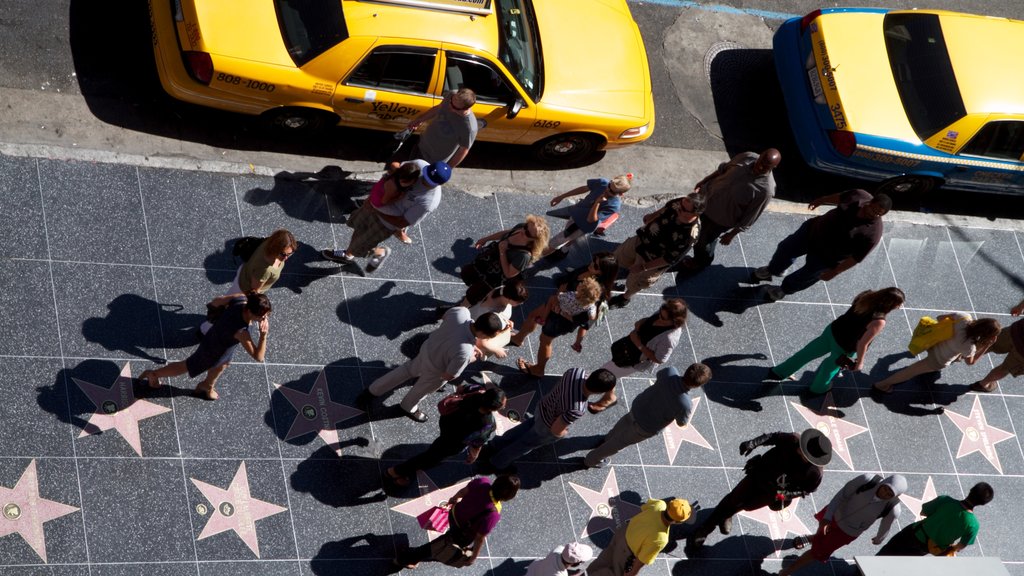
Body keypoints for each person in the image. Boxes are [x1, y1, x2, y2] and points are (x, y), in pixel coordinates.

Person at [686, 429, 832, 552]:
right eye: (802, 447)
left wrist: (784, 495)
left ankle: (729, 513)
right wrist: (753, 443)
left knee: (747, 506)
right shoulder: (793, 440)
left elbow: (805, 491)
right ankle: (706, 528)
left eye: (805, 454)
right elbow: (773, 437)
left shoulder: (815, 474)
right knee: (734, 498)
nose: (800, 450)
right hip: (759, 474)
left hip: (773, 493)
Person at [358, 309, 504, 422]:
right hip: (436, 371)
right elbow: (450, 374)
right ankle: (407, 407)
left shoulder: (462, 312)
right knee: (420, 391)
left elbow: (446, 319)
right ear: (485, 335)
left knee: (405, 371)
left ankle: (372, 391)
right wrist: (472, 357)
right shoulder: (466, 351)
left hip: (426, 350)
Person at [747, 189, 890, 302]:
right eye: (874, 209)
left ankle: (784, 289)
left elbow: (857, 258)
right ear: (870, 202)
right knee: (786, 248)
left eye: (879, 214)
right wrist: (822, 200)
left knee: (804, 277)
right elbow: (840, 197)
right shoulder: (858, 195)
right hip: (812, 232)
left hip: (828, 257)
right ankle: (773, 269)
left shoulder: (873, 233)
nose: (874, 214)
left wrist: (835, 272)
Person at [768, 287, 905, 395]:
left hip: (833, 331)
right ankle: (818, 388)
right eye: (898, 304)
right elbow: (862, 343)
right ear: (891, 304)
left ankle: (780, 371)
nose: (899, 307)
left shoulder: (866, 295)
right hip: (845, 346)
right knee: (830, 368)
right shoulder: (878, 321)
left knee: (806, 353)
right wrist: (860, 363)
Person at [321, 160, 450, 273]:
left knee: (361, 244)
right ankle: (351, 252)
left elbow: (401, 222)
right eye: (425, 174)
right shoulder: (419, 165)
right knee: (358, 229)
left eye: (428, 180)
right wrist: (373, 198)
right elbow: (395, 171)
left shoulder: (429, 201)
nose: (423, 179)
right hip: (375, 206)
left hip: (385, 223)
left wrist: (377, 209)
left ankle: (365, 254)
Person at [140, 292, 271, 401]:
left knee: (222, 365)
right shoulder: (242, 332)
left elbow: (216, 302)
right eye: (261, 316)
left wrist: (217, 317)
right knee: (186, 365)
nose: (264, 318)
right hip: (214, 350)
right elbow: (259, 357)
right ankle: (154, 374)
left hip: (217, 337)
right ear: (249, 311)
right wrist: (263, 335)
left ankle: (207, 385)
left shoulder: (240, 298)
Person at [481, 368, 617, 472]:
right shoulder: (577, 408)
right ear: (599, 392)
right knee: (524, 444)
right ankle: (498, 462)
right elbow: (556, 429)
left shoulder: (576, 372)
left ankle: (495, 444)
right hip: (546, 426)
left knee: (523, 428)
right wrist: (563, 434)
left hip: (543, 407)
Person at [584, 363, 711, 468]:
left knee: (622, 424)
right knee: (619, 443)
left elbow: (659, 374)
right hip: (645, 427)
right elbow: (681, 422)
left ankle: (607, 439)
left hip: (637, 408)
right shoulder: (686, 404)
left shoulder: (670, 372)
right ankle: (592, 460)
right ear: (697, 385)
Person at [676, 149, 779, 276]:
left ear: (774, 167)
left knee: (704, 241)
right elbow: (723, 169)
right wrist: (704, 181)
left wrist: (732, 234)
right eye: (760, 161)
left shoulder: (766, 190)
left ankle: (701, 261)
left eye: (765, 167)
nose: (760, 167)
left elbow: (751, 216)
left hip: (719, 219)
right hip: (705, 199)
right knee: (686, 223)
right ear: (760, 155)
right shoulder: (748, 156)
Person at [779, 474, 906, 576]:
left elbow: (886, 526)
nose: (885, 494)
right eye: (885, 488)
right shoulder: (867, 480)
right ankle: (813, 538)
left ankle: (787, 571)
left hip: (847, 532)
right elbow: (842, 495)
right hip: (834, 515)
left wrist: (879, 538)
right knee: (821, 535)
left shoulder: (893, 509)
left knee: (816, 552)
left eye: (890, 494)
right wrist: (827, 518)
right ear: (884, 482)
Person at [385, 385, 506, 486]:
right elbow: (477, 443)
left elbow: (461, 388)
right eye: (503, 404)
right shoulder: (486, 423)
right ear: (493, 408)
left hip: (447, 421)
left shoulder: (477, 390)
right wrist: (474, 454)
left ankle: (405, 470)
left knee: (436, 450)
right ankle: (396, 471)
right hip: (453, 441)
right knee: (432, 457)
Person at [394, 474, 520, 569]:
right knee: (440, 547)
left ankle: (415, 556)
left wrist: (453, 499)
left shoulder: (482, 482)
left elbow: (462, 492)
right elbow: (479, 538)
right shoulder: (493, 514)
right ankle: (405, 558)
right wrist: (474, 557)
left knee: (444, 541)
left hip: (454, 515)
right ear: (509, 496)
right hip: (463, 533)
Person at [588, 298, 689, 414]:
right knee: (610, 371)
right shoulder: (663, 312)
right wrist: (640, 324)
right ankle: (609, 396)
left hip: (634, 360)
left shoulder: (670, 338)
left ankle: (602, 395)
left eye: (663, 318)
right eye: (660, 313)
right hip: (627, 347)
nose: (659, 318)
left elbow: (660, 359)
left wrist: (639, 344)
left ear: (674, 321)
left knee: (606, 373)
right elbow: (649, 321)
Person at [608, 194, 703, 309]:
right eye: (681, 203)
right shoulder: (680, 203)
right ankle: (606, 276)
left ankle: (625, 298)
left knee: (636, 283)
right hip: (642, 239)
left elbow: (670, 259)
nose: (679, 207)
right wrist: (652, 216)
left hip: (652, 258)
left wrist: (644, 267)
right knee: (617, 257)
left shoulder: (690, 235)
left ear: (695, 214)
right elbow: (666, 208)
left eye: (683, 209)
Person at [873, 314, 1000, 393]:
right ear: (985, 335)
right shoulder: (970, 347)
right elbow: (970, 362)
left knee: (911, 369)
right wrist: (986, 345)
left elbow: (940, 318)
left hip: (933, 343)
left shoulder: (963, 317)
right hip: (938, 360)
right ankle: (882, 385)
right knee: (910, 372)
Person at [200, 229, 295, 334]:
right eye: (283, 254)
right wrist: (261, 309)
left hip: (244, 274)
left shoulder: (269, 242)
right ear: (275, 247)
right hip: (244, 290)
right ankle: (205, 330)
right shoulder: (266, 268)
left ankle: (208, 325)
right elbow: (254, 290)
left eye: (289, 254)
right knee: (225, 312)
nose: (286, 258)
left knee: (224, 308)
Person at [511, 277, 602, 378]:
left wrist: (560, 291)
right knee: (534, 316)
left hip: (557, 318)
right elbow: (592, 316)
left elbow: (559, 296)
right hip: (564, 322)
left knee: (545, 341)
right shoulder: (590, 305)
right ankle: (518, 339)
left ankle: (539, 369)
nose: (579, 284)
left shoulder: (571, 296)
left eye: (581, 284)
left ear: (580, 291)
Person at [877, 482, 994, 556]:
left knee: (885, 554)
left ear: (971, 490)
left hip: (912, 534)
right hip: (925, 548)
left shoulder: (945, 500)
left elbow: (923, 511)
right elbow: (960, 546)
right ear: (982, 504)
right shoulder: (973, 525)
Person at [459, 215, 550, 306]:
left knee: (473, 295)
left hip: (493, 277)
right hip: (485, 262)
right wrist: (486, 239)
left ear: (534, 240)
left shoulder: (524, 256)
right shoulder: (520, 227)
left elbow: (509, 274)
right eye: (526, 226)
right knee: (467, 273)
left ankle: (462, 308)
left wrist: (502, 251)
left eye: (528, 233)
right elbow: (505, 233)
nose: (523, 231)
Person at [588, 498, 692, 576]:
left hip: (622, 533)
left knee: (605, 558)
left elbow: (644, 507)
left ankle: (586, 573)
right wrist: (631, 574)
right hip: (626, 551)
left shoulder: (659, 504)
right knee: (613, 573)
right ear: (677, 522)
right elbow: (641, 560)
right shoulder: (661, 538)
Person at [545, 175, 632, 259]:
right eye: (609, 185)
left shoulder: (614, 206)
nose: (607, 189)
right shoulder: (602, 183)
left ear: (620, 194)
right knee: (570, 237)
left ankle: (537, 256)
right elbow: (584, 188)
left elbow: (590, 220)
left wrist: (597, 203)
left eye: (612, 191)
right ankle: (564, 251)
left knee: (555, 242)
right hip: (577, 213)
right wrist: (561, 197)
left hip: (582, 225)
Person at [405, 87, 479, 167]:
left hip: (434, 159)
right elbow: (439, 108)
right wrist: (420, 119)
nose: (450, 106)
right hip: (421, 144)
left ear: (465, 109)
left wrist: (448, 168)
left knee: (414, 178)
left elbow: (463, 150)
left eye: (454, 107)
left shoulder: (469, 127)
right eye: (451, 101)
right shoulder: (452, 95)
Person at [969, 299, 1024, 392]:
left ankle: (957, 356)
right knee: (1005, 368)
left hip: (1017, 330)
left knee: (989, 343)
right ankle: (983, 384)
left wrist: (1020, 306)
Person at [468, 278, 529, 359]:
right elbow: (481, 340)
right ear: (510, 299)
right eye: (519, 302)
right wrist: (496, 349)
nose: (521, 304)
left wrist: (505, 323)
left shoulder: (503, 290)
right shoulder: (490, 313)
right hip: (476, 333)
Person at [525, 542, 594, 576]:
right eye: (582, 562)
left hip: (534, 568)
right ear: (574, 563)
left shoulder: (558, 549)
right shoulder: (559, 574)